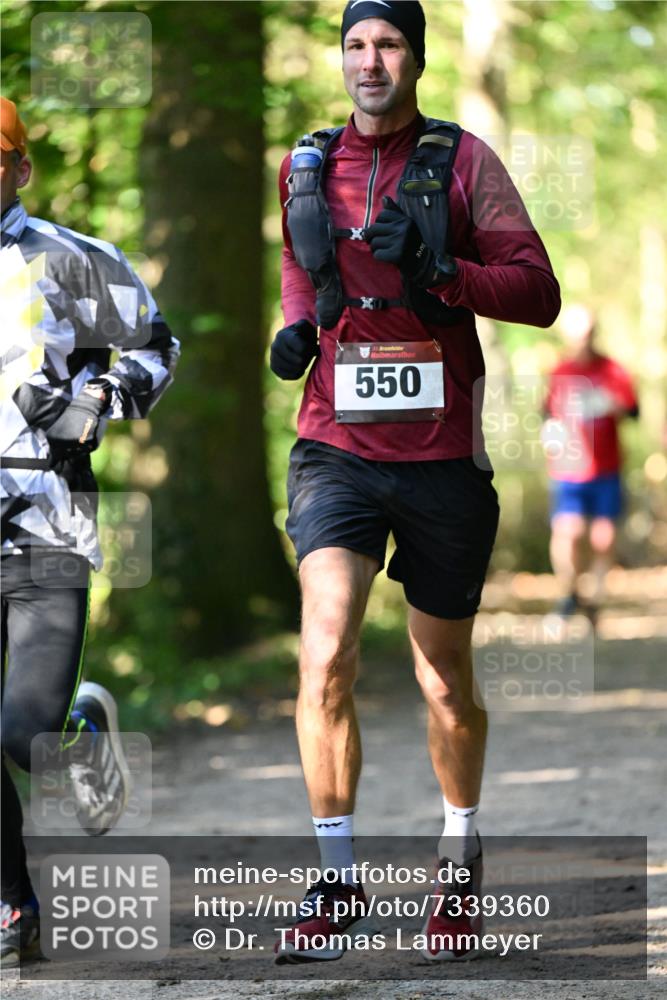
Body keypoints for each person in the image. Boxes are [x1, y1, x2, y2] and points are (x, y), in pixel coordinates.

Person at [269, 0, 560, 964]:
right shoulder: (305, 164)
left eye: (387, 43)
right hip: (334, 447)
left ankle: (457, 857)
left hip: (440, 458)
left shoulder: (465, 161)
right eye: (354, 45)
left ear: (418, 58)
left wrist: (446, 273)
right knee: (325, 655)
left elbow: (537, 290)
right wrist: (298, 325)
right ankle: (335, 879)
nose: (369, 61)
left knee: (443, 687)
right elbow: (299, 268)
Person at [0, 97, 180, 965]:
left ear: (19, 169)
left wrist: (101, 399)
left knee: (17, 736)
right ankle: (13, 908)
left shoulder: (69, 261)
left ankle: (76, 727)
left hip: (47, 526)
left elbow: (155, 344)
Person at [543, 303, 638, 620]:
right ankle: (569, 593)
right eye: (576, 335)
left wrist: (612, 406)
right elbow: (546, 414)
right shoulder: (559, 372)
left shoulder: (613, 370)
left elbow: (632, 411)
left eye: (587, 334)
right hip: (567, 468)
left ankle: (595, 600)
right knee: (567, 532)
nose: (582, 341)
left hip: (606, 468)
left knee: (603, 538)